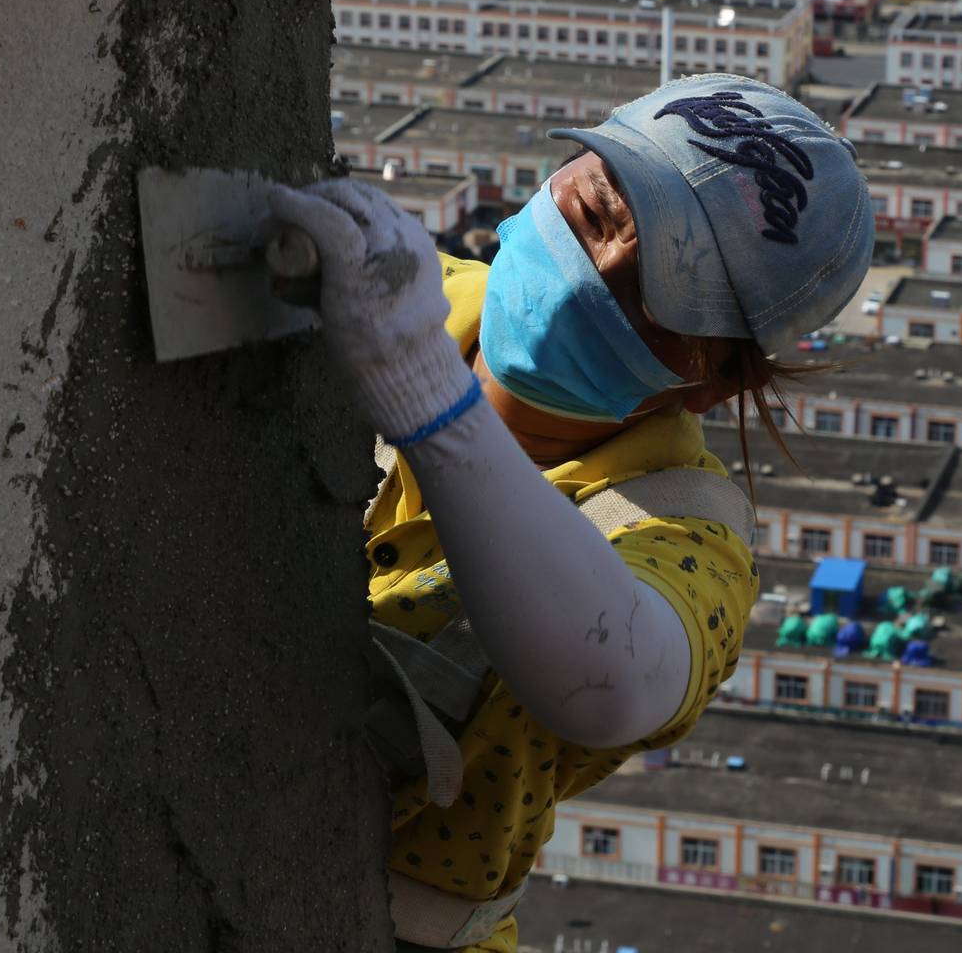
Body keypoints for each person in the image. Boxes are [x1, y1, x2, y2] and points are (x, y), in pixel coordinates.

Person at [268, 75, 876, 952]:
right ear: (560, 172)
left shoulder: (681, 536)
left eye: (662, 298)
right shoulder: (406, 295)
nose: (598, 273)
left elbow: (612, 683)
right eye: (593, 215)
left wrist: (432, 409)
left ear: (714, 380)